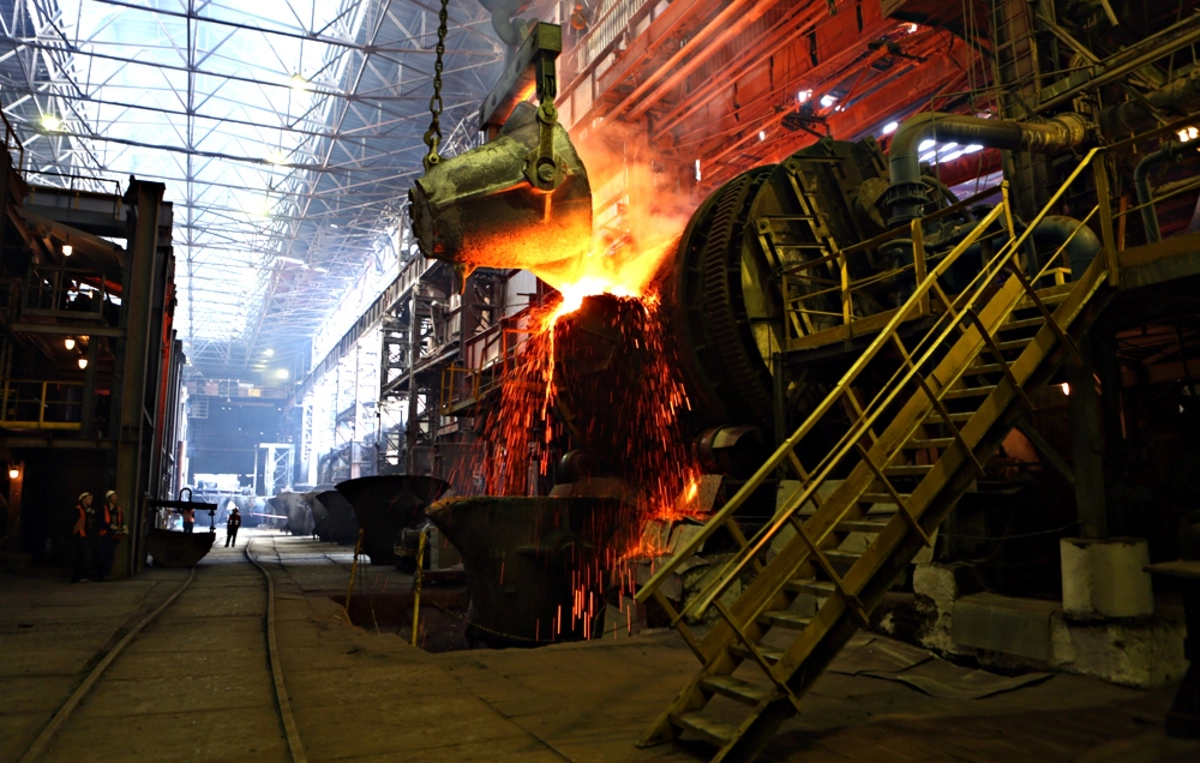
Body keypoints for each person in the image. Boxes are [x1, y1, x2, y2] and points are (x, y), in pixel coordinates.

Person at [96, 490, 124, 581]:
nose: (115, 498)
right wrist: (110, 526)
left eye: (116, 496)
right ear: (108, 499)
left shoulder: (118, 509)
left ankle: (107, 573)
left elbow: (121, 520)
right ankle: (102, 574)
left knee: (110, 555)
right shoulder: (103, 509)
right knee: (104, 555)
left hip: (114, 535)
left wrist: (122, 527)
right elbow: (100, 521)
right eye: (113, 497)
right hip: (105, 534)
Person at [71, 493, 94, 583]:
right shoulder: (78, 510)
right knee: (79, 556)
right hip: (79, 535)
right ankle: (77, 576)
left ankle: (82, 576)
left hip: (84, 535)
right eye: (89, 498)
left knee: (84, 556)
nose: (90, 500)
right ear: (83, 499)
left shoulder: (87, 510)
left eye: (91, 499)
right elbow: (72, 522)